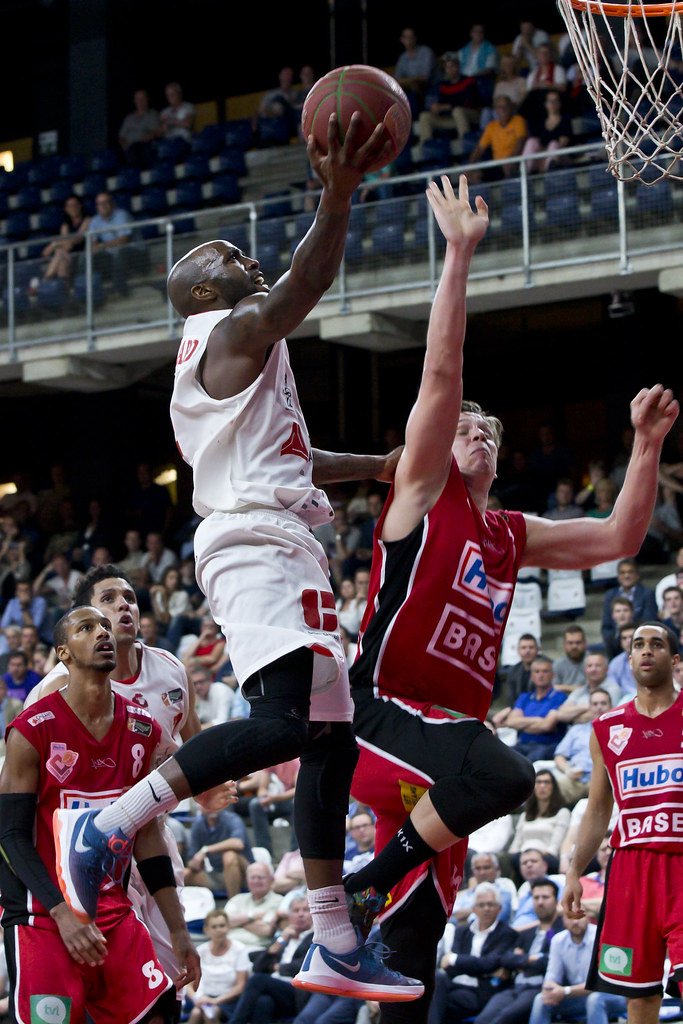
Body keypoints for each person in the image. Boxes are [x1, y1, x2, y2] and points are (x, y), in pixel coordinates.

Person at [55, 111, 423, 1003]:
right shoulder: (225, 334)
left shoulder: (242, 359)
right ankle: (113, 820)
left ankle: (334, 936)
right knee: (291, 724)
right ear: (197, 290)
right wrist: (336, 196)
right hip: (257, 544)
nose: (242, 258)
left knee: (329, 738)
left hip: (280, 532)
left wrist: (373, 466)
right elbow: (303, 283)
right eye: (224, 253)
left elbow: (288, 455)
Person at [339, 175, 678, 1024]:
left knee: (414, 948)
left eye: (489, 428)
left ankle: (371, 914)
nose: (477, 430)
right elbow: (444, 370)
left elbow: (616, 542)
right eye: (463, 426)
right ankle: (352, 891)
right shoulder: (423, 488)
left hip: (443, 755)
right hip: (383, 715)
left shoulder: (509, 532)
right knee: (507, 774)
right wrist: (457, 255)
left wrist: (642, 447)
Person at [23, 564, 232, 986]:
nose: (123, 606)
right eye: (108, 600)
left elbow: (193, 753)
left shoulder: (171, 669)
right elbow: (25, 794)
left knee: (170, 972)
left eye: (130, 598)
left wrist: (205, 792)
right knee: (96, 975)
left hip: (151, 836)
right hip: (78, 845)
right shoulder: (52, 693)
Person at [0, 605, 199, 1022]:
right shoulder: (31, 729)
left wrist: (178, 930)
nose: (102, 633)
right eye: (86, 628)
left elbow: (146, 836)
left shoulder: (141, 729)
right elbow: (10, 836)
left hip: (110, 909)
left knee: (161, 1011)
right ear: (64, 653)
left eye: (104, 626)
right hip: (41, 916)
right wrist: (61, 916)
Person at [562, 622, 683, 1022]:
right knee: (638, 995)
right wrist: (574, 872)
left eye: (657, 644)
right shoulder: (607, 727)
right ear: (629, 659)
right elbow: (598, 809)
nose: (647, 651)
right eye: (638, 645)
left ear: (675, 658)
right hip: (631, 870)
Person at [472, 877, 564, 1024]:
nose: (540, 902)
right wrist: (532, 959)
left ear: (556, 901)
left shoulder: (562, 932)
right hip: (515, 987)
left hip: (540, 989)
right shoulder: (527, 932)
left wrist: (522, 960)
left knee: (503, 1020)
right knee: (482, 1020)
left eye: (545, 897)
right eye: (536, 897)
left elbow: (550, 961)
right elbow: (506, 958)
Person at [428, 883, 518, 1024]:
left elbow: (490, 962)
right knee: (437, 978)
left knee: (433, 1002)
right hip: (454, 983)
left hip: (479, 991)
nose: (486, 909)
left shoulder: (507, 933)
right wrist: (480, 967)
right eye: (481, 905)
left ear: (499, 909)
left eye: (491, 904)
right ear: (474, 909)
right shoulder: (462, 931)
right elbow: (449, 966)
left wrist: (456, 960)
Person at [528, 913, 626, 1024]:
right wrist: (550, 989)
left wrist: (566, 991)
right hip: (578, 998)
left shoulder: (602, 936)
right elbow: (552, 976)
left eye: (579, 916)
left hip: (613, 996)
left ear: (588, 917)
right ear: (563, 920)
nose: (575, 922)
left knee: (595, 999)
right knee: (541, 999)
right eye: (570, 917)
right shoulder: (558, 940)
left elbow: (600, 984)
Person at [184, 908, 250, 1024]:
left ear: (228, 927)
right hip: (203, 998)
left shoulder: (240, 949)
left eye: (222, 926)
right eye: (214, 927)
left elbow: (240, 986)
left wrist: (215, 1001)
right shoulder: (200, 951)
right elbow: (188, 985)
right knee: (196, 1013)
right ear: (206, 930)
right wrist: (196, 998)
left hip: (229, 1000)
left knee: (211, 1013)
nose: (219, 930)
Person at [553, 689, 612, 805]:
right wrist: (568, 770)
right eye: (595, 704)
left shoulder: (619, 731)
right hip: (575, 779)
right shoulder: (576, 730)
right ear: (589, 708)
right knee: (552, 787)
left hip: (603, 781)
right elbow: (559, 756)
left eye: (603, 703)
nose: (599, 707)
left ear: (611, 707)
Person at [506, 656, 568, 761]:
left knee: (527, 761)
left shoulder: (560, 696)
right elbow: (511, 722)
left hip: (547, 745)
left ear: (553, 675)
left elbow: (547, 726)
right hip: (523, 744)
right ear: (531, 676)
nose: (540, 675)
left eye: (545, 671)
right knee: (502, 756)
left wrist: (522, 726)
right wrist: (538, 720)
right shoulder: (524, 697)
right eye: (537, 672)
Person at [508, 771, 570, 874]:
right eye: (538, 782)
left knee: (531, 862)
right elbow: (516, 843)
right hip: (522, 856)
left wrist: (534, 856)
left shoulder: (562, 813)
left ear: (553, 787)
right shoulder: (525, 815)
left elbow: (555, 846)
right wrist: (521, 855)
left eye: (546, 782)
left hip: (547, 857)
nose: (542, 786)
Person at [184, 808, 252, 898]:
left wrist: (206, 849)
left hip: (245, 874)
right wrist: (195, 863)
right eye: (207, 804)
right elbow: (190, 859)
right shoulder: (198, 825)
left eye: (214, 803)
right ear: (200, 807)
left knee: (229, 856)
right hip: (217, 874)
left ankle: (232, 905)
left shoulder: (232, 819)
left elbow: (238, 843)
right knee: (183, 874)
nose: (211, 807)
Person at [417, 55, 481, 150]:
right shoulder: (444, 85)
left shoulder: (469, 81)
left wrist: (446, 107)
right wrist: (437, 108)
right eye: (447, 67)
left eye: (452, 66)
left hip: (471, 115)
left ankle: (466, 145)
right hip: (452, 118)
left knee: (458, 111)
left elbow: (469, 103)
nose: (450, 69)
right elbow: (442, 106)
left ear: (458, 67)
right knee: (425, 116)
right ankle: (425, 148)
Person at [601, 559, 658, 652]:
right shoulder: (610, 595)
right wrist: (612, 641)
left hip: (639, 640)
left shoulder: (647, 594)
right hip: (615, 642)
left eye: (630, 572)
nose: (626, 576)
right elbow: (606, 626)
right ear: (618, 576)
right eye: (622, 573)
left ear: (637, 575)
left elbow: (649, 622)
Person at [468, 96, 528, 179]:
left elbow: (519, 144)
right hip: (497, 166)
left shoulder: (518, 121)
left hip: (515, 163)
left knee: (509, 169)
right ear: (495, 110)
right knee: (473, 176)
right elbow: (479, 149)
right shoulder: (491, 126)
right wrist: (469, 167)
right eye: (499, 107)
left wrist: (510, 162)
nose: (502, 109)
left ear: (511, 107)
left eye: (505, 106)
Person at [88, 192, 134, 298]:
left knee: (119, 253)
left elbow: (124, 240)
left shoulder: (121, 215)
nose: (103, 206)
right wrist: (95, 248)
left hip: (131, 252)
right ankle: (88, 296)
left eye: (105, 202)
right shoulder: (95, 221)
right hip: (109, 255)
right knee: (86, 258)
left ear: (112, 203)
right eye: (100, 204)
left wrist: (102, 246)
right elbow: (92, 242)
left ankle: (120, 291)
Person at [555, 654, 622, 724]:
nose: (593, 669)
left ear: (606, 669)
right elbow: (560, 715)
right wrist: (588, 707)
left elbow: (606, 715)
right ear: (585, 670)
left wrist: (572, 717)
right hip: (576, 732)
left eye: (598, 666)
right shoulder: (579, 692)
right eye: (590, 666)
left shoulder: (613, 689)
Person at [493, 633, 539, 727]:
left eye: (531, 647)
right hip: (518, 710)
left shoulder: (546, 667)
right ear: (518, 650)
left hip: (539, 709)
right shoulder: (513, 671)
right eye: (524, 648)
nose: (527, 651)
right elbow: (511, 700)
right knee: (495, 720)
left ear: (538, 650)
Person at [521, 90, 572, 174]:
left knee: (553, 144)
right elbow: (536, 142)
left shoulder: (565, 120)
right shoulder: (541, 122)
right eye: (550, 101)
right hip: (541, 158)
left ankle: (550, 172)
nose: (553, 104)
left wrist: (546, 156)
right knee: (531, 142)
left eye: (555, 101)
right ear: (546, 104)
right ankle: (524, 171)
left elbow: (562, 143)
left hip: (559, 158)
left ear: (559, 103)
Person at [41, 195, 90, 281]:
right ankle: (64, 290)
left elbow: (78, 239)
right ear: (66, 209)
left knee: (60, 253)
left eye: (75, 205)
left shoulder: (87, 220)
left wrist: (53, 245)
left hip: (82, 255)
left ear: (80, 206)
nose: (72, 208)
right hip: (68, 255)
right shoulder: (65, 226)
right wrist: (59, 244)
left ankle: (44, 280)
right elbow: (67, 245)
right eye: (69, 206)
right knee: (61, 259)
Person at [394, 28, 438, 117]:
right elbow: (396, 80)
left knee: (414, 88)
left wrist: (408, 81)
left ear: (415, 39)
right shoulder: (403, 58)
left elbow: (425, 77)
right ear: (402, 40)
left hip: (432, 87)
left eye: (411, 37)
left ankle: (416, 117)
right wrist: (410, 81)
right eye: (406, 38)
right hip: (412, 89)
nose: (409, 40)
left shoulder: (425, 52)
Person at [119, 88, 160, 167]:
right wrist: (125, 146)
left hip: (144, 146)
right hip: (129, 149)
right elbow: (122, 136)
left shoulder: (152, 115)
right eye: (138, 99)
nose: (140, 101)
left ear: (147, 100)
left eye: (142, 99)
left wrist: (137, 142)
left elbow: (154, 132)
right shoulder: (129, 118)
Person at [552, 625, 587, 693]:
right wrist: (581, 688)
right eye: (570, 643)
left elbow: (593, 689)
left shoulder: (592, 661)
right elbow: (554, 688)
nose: (574, 646)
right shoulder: (558, 664)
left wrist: (564, 688)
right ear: (564, 644)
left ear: (585, 643)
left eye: (578, 642)